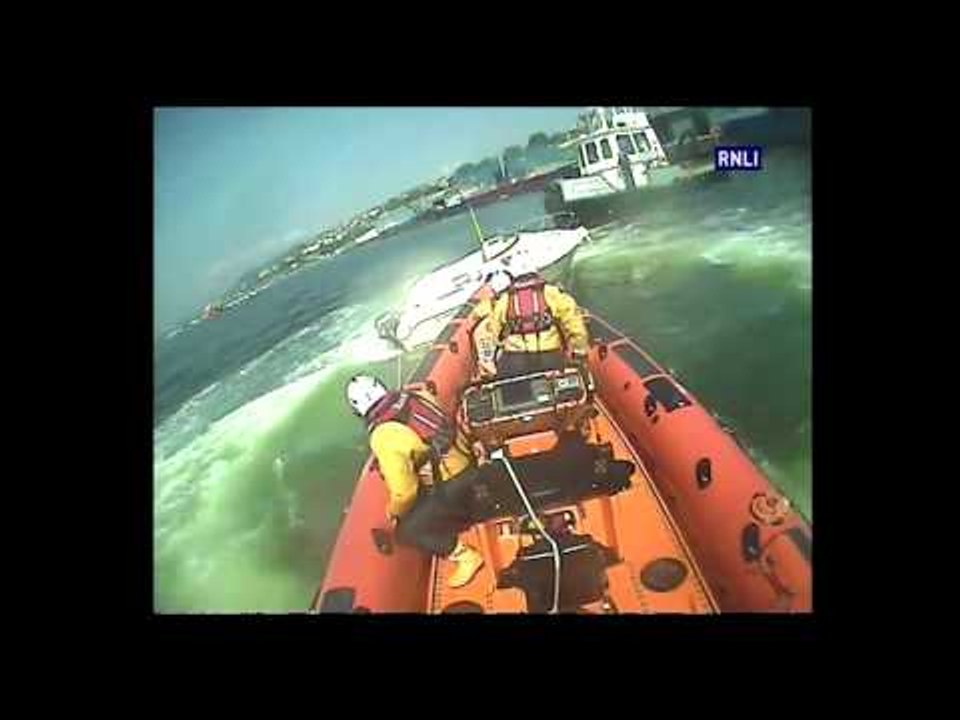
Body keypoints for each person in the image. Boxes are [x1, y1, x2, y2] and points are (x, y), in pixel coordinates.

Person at [345, 375, 485, 588]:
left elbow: (405, 492)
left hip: (453, 482)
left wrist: (395, 512)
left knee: (407, 531)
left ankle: (465, 556)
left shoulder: (383, 435)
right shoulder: (417, 394)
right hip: (469, 461)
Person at [471, 260, 590, 378]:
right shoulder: (553, 294)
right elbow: (575, 327)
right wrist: (578, 352)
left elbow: (493, 332)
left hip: (516, 360)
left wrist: (490, 361)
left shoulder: (505, 300)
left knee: (511, 391)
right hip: (549, 357)